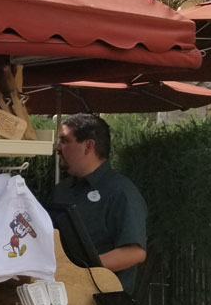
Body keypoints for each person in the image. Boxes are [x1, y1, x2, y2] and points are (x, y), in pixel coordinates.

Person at [50, 113, 147, 294]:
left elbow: (135, 252)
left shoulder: (121, 191)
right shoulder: (62, 190)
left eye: (64, 140)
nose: (57, 147)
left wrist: (80, 271)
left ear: (88, 146)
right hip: (63, 297)